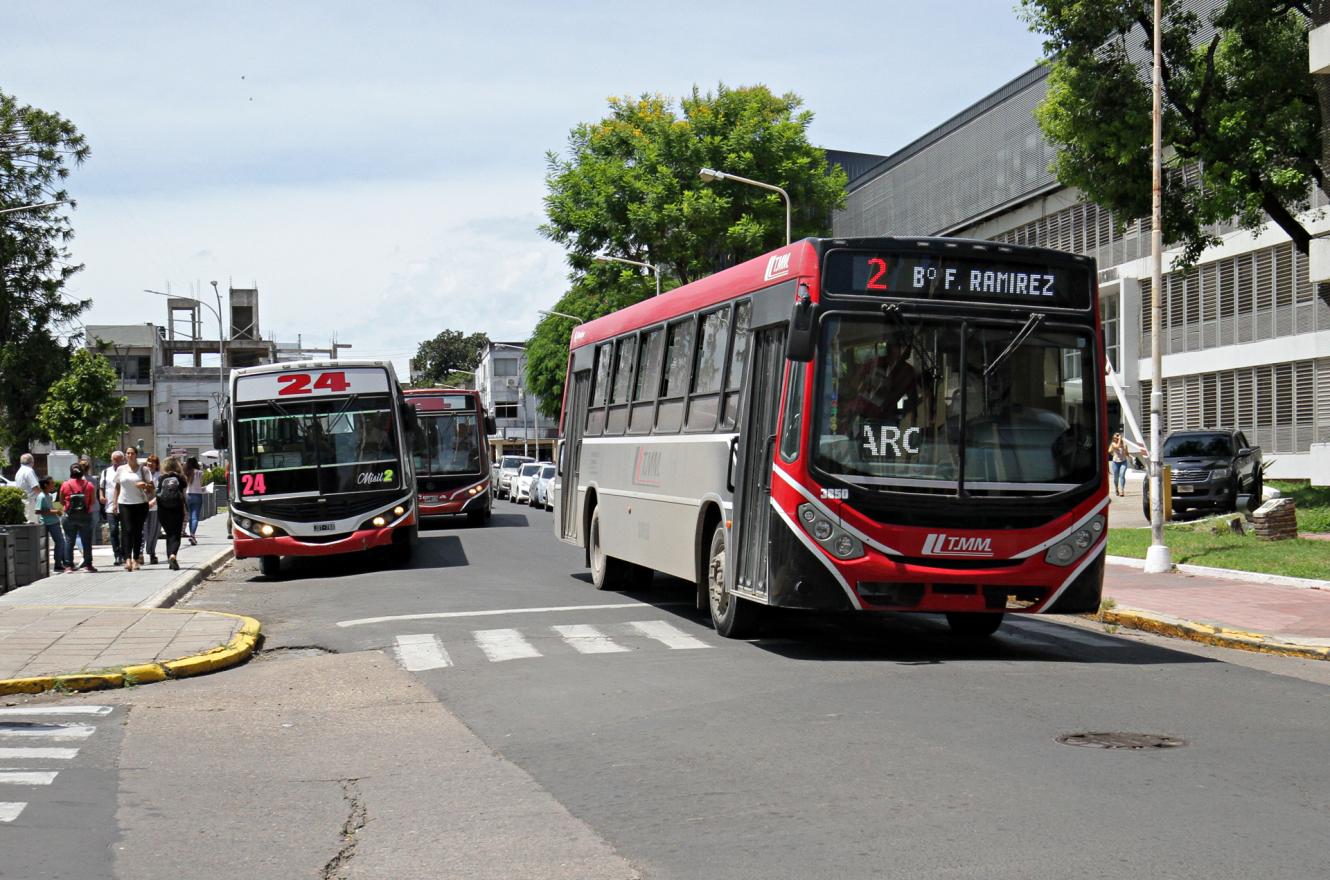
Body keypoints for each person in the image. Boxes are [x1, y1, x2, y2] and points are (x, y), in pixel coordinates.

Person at [107, 447, 152, 572]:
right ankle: (127, 558)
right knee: (127, 530)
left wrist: (145, 485)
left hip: (140, 503)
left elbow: (151, 487)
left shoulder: (143, 469)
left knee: (137, 531)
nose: (130, 455)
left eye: (132, 453)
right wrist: (114, 503)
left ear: (136, 455)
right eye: (128, 453)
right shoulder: (121, 469)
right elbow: (117, 486)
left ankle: (136, 559)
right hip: (125, 503)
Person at [60, 463, 97, 572]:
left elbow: (62, 501)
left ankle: (68, 566)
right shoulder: (89, 485)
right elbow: (93, 501)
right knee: (86, 541)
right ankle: (88, 565)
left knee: (69, 540)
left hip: (69, 516)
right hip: (85, 516)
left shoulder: (65, 484)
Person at [155, 457, 187, 571]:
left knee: (169, 534)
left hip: (163, 509)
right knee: (176, 534)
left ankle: (170, 558)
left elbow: (158, 493)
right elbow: (183, 494)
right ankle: (173, 555)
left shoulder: (161, 478)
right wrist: (186, 509)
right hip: (177, 509)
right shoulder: (181, 478)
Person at [36, 476, 71, 573]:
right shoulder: (41, 496)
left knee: (60, 542)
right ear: (46, 485)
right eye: (51, 483)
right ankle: (58, 565)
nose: (53, 485)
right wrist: (54, 511)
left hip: (54, 522)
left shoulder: (49, 495)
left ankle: (62, 563)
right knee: (60, 542)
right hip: (49, 522)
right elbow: (38, 511)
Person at [100, 451, 126, 566]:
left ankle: (125, 554)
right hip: (110, 506)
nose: (116, 462)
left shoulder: (126, 470)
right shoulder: (106, 472)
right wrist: (101, 496)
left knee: (126, 531)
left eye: (119, 459)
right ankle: (117, 555)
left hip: (125, 505)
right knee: (114, 530)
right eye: (114, 459)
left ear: (123, 460)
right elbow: (101, 487)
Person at [141, 454, 161, 566]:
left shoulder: (159, 476)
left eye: (152, 462)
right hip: (142, 505)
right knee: (142, 531)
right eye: (149, 461)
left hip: (154, 507)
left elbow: (160, 491)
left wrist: (154, 501)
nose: (150, 463)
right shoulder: (141, 474)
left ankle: (151, 552)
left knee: (153, 531)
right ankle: (140, 553)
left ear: (156, 464)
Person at [14, 453, 41, 524]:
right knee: (33, 524)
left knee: (27, 523)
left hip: (23, 500)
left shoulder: (19, 472)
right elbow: (35, 487)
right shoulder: (29, 471)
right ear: (32, 462)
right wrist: (44, 496)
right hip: (31, 501)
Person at [184, 456, 205, 546]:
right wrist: (204, 489)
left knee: (190, 516)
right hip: (197, 495)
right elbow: (200, 485)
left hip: (188, 495)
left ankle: (191, 534)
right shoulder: (200, 473)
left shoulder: (186, 473)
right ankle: (192, 535)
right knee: (195, 516)